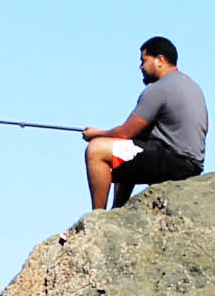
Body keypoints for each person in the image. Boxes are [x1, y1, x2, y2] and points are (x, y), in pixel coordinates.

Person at [86, 38, 208, 209]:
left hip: (174, 162)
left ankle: (98, 216)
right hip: (191, 165)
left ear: (160, 60)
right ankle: (117, 212)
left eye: (144, 61)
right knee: (126, 149)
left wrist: (96, 134)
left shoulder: (159, 88)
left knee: (96, 150)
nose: (141, 67)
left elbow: (125, 133)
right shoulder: (192, 86)